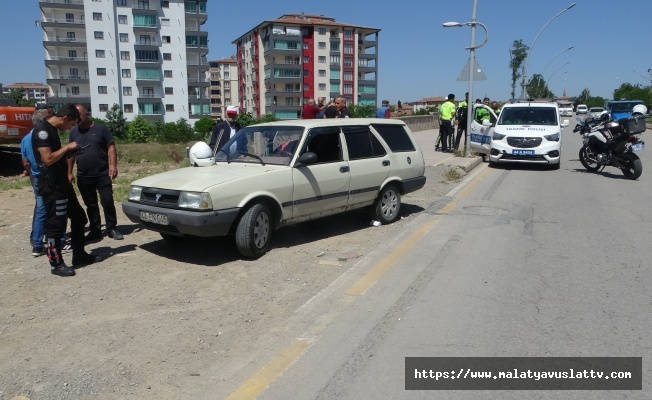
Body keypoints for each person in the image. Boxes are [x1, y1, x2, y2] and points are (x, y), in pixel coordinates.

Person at [32, 102, 102, 277]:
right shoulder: (43, 130)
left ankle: (79, 255)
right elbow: (47, 159)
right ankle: (56, 264)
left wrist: (68, 154)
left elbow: (56, 157)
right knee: (56, 225)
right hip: (51, 186)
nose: (71, 127)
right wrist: (67, 147)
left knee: (79, 217)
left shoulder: (53, 130)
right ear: (64, 118)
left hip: (61, 183)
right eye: (71, 124)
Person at [21, 105, 71, 257]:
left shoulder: (25, 138)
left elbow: (25, 161)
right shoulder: (43, 134)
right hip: (47, 177)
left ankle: (36, 242)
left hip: (35, 176)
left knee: (40, 209)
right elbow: (48, 159)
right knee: (51, 211)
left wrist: (31, 174)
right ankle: (57, 242)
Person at [68, 104, 123, 242]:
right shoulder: (73, 131)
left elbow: (111, 146)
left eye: (79, 114)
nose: (77, 118)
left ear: (87, 114)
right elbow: (71, 154)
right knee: (90, 205)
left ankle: (111, 228)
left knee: (107, 201)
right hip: (83, 175)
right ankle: (95, 230)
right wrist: (69, 171)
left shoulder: (101, 128)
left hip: (102, 173)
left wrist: (113, 165)